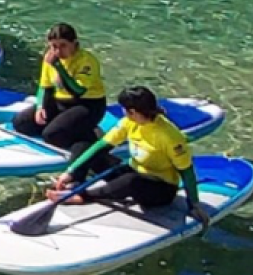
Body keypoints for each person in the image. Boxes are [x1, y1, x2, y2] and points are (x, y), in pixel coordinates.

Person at [47, 85, 209, 229]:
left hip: (160, 189)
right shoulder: (129, 122)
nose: (123, 112)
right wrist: (71, 171)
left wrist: (193, 204)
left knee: (130, 181)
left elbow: (186, 172)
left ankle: (83, 195)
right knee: (85, 147)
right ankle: (76, 182)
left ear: (133, 111)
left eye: (124, 109)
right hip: (134, 170)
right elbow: (101, 146)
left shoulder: (170, 136)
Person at [12, 22, 106, 149]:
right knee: (21, 123)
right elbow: (45, 86)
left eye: (63, 46)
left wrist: (58, 67)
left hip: (86, 104)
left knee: (52, 135)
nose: (58, 51)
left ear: (74, 43)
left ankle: (88, 134)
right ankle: (66, 125)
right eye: (54, 46)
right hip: (61, 102)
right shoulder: (50, 57)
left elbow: (78, 91)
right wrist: (41, 106)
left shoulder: (87, 61)